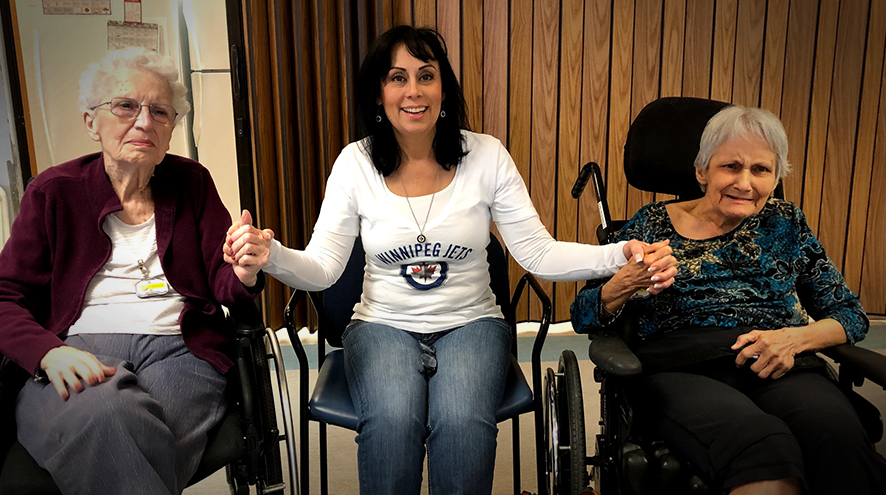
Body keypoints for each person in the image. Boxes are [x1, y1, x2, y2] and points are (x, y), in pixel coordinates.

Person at [224, 26, 676, 494]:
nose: (413, 91)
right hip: (382, 325)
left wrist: (618, 253)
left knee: (462, 422)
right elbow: (324, 268)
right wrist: (270, 255)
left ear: (444, 88)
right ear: (379, 93)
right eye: (397, 78)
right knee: (393, 420)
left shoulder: (487, 155)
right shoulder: (354, 164)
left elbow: (537, 252)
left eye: (426, 75)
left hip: (472, 323)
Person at [571, 104, 886, 494]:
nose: (745, 183)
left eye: (761, 169)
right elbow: (583, 314)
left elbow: (850, 315)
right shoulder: (650, 225)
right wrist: (622, 284)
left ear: (776, 177)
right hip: (683, 369)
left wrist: (793, 339)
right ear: (702, 171)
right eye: (731, 167)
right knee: (761, 448)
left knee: (838, 436)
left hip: (779, 361)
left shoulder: (786, 222)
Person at [0, 48, 263, 495]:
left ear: (171, 129)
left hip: (182, 349)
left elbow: (221, 274)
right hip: (78, 346)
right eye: (126, 106)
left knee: (105, 438)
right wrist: (47, 353)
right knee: (109, 417)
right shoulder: (52, 192)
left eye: (159, 111)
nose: (144, 122)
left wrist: (242, 273)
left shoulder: (192, 182)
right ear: (92, 122)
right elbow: (6, 296)